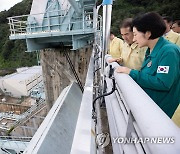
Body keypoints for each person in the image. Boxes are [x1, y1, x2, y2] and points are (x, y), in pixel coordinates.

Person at [116, 12, 180, 118]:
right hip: (148, 107)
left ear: (147, 34)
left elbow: (163, 83)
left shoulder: (169, 52)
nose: (134, 39)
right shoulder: (151, 51)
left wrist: (131, 72)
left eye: (135, 34)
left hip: (159, 114)